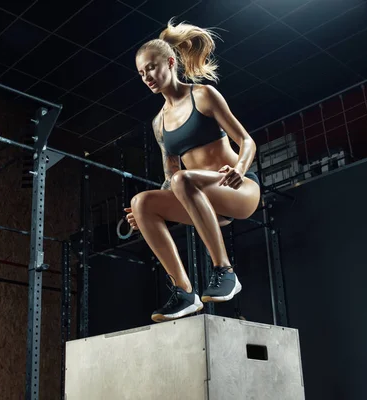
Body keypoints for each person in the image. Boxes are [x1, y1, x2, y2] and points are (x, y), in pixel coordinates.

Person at [125, 19, 261, 323]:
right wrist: (149, 214)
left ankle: (225, 271)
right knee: (141, 202)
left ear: (170, 62)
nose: (146, 76)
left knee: (182, 179)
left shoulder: (203, 96)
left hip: (238, 189)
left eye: (151, 67)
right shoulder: (158, 123)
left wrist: (240, 168)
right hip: (201, 199)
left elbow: (247, 141)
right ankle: (184, 293)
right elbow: (168, 179)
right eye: (141, 73)